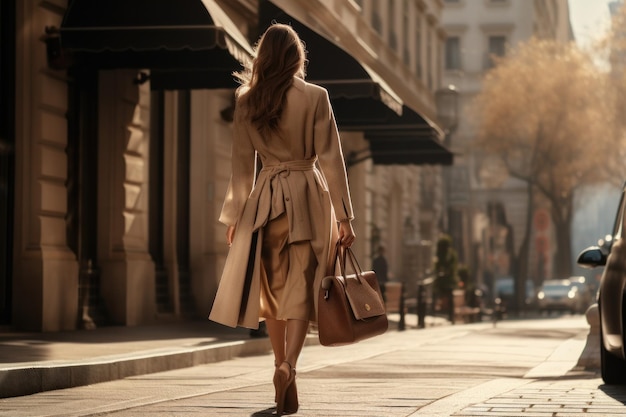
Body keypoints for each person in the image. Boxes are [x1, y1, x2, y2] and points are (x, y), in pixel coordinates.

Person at [208, 23, 356, 416]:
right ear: (297, 57)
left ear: (263, 57)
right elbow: (331, 159)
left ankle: (278, 367)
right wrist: (345, 216)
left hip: (266, 201)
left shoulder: (246, 100)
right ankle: (290, 365)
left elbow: (241, 166)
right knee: (302, 288)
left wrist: (235, 217)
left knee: (270, 295)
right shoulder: (316, 97)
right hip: (308, 197)